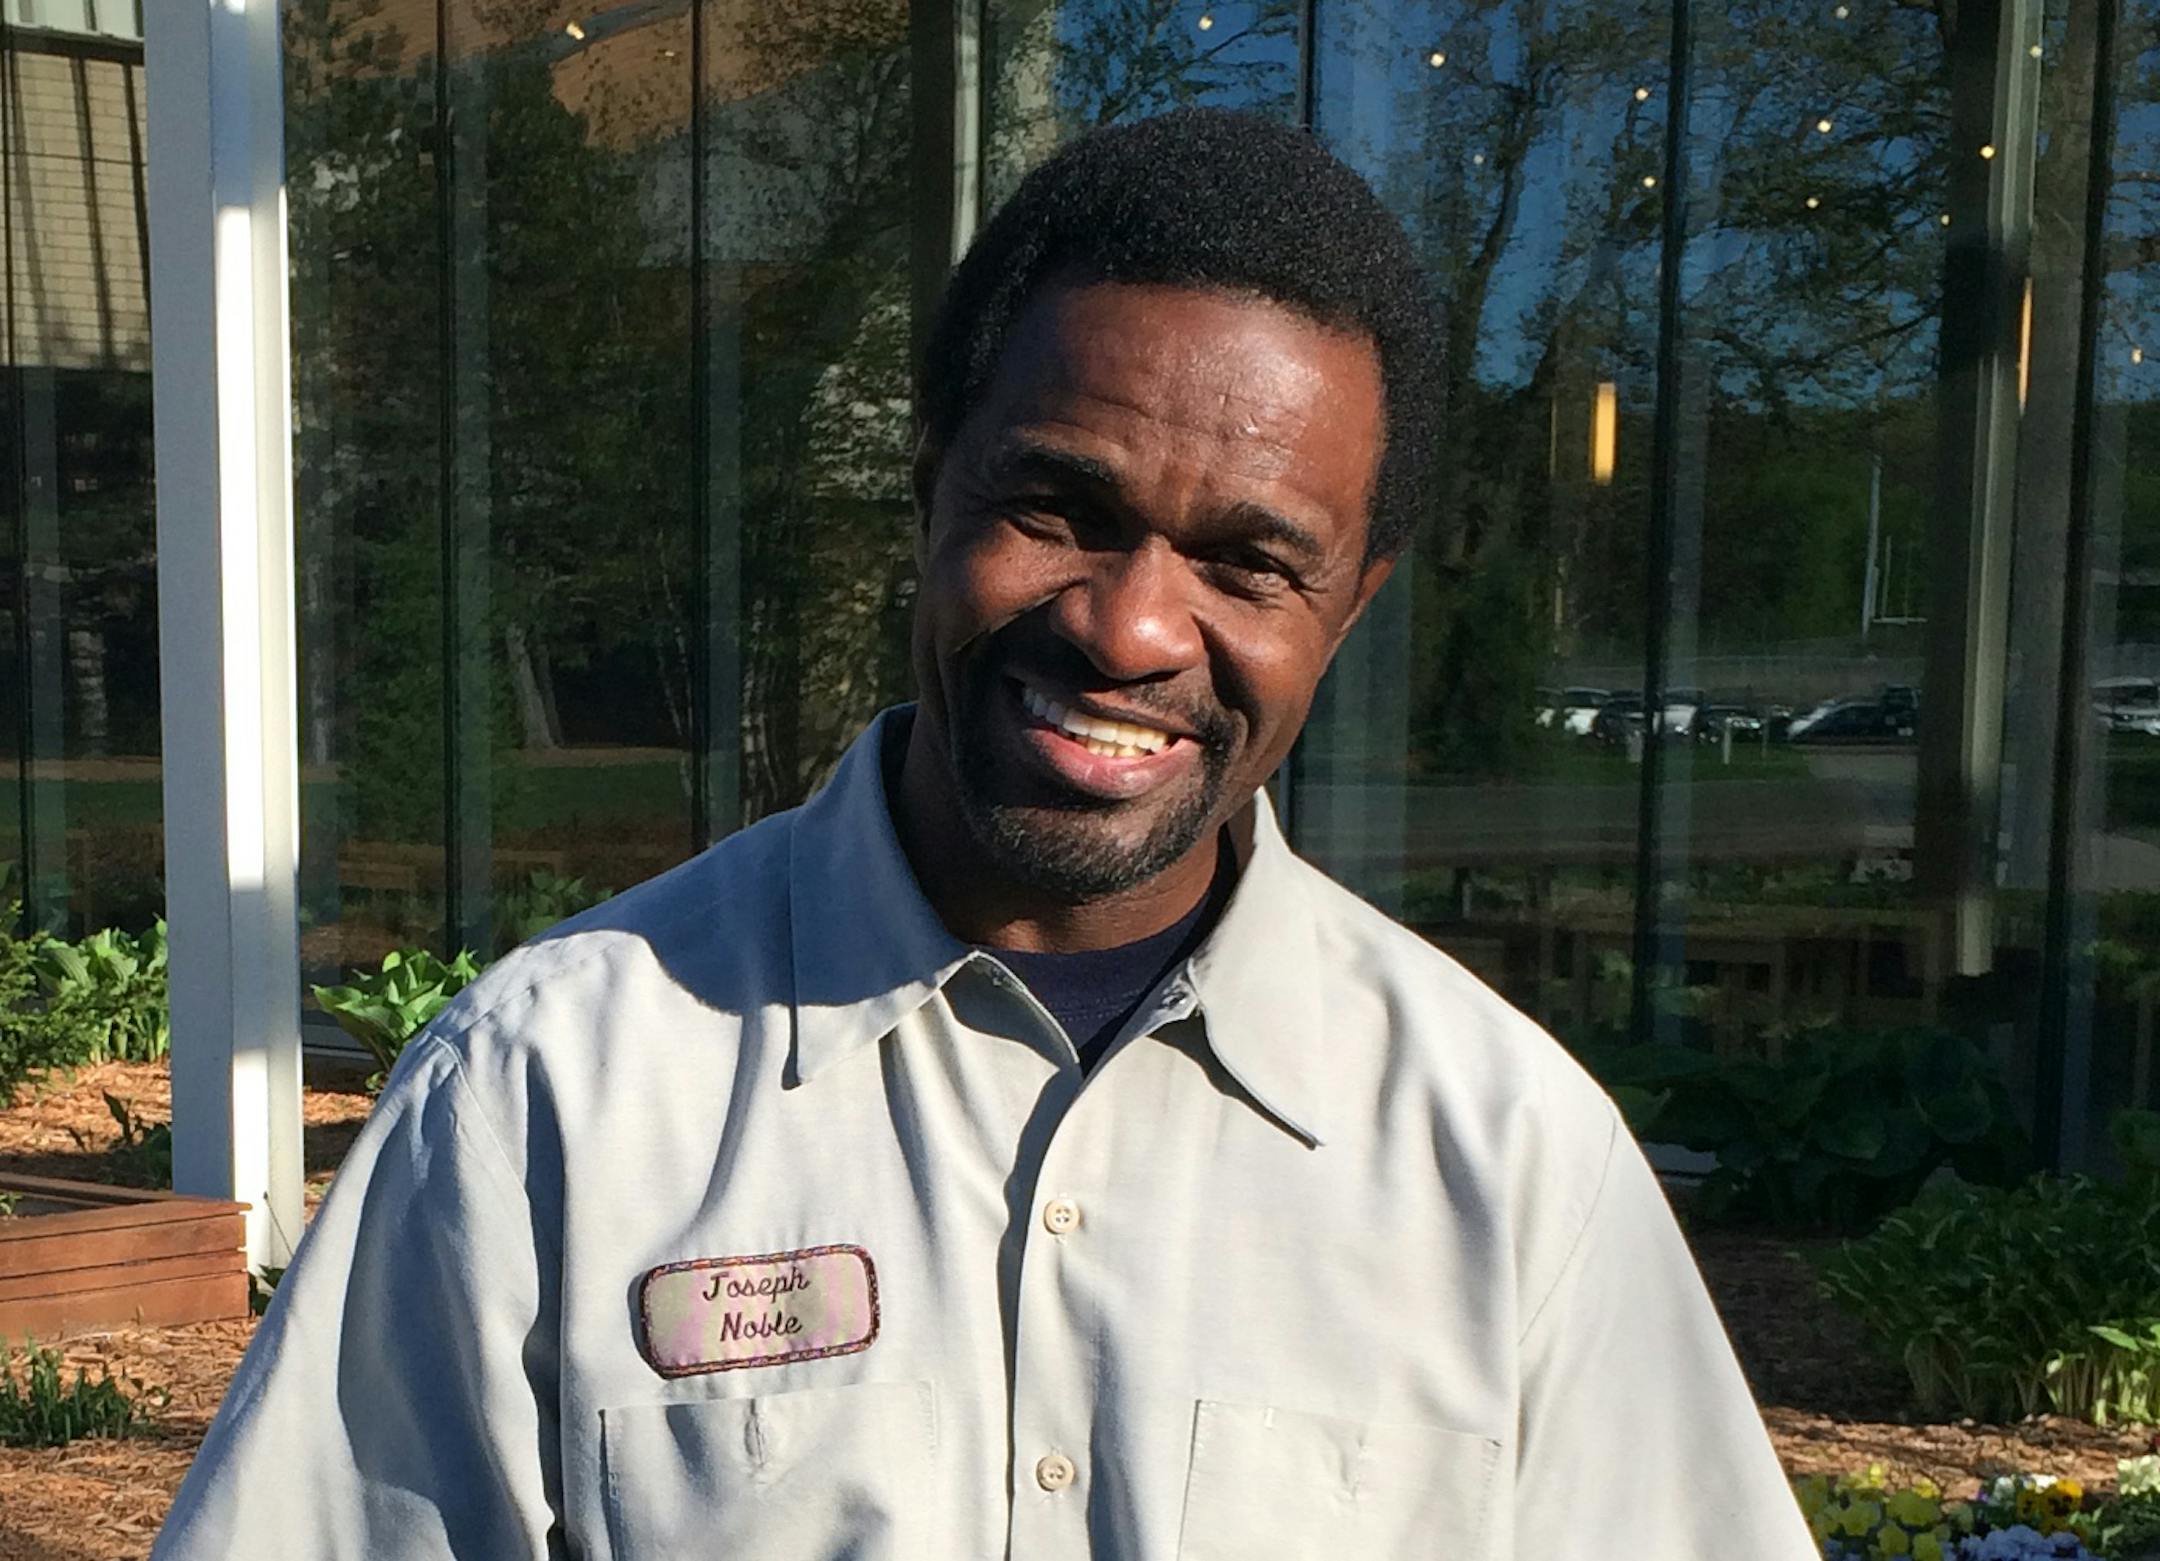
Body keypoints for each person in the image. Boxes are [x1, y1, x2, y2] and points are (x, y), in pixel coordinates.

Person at [153, 109, 1815, 1560]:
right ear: (930, 489)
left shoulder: (1514, 1166)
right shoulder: (551, 1098)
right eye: (1060, 511)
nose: (1133, 629)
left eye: (1250, 563)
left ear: (1355, 604)